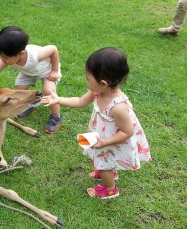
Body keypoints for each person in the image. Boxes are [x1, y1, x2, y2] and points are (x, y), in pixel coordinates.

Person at [41, 47, 152, 199]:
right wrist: (58, 99)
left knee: (103, 162)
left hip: (111, 141)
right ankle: (108, 171)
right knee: (103, 160)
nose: (85, 80)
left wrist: (105, 142)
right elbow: (79, 101)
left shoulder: (118, 107)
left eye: (88, 78)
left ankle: (110, 188)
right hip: (102, 136)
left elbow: (127, 132)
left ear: (104, 83)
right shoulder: (98, 92)